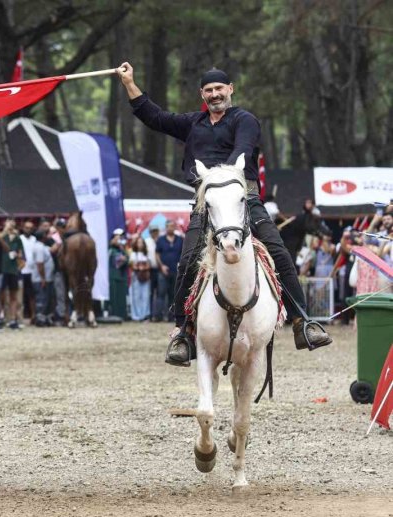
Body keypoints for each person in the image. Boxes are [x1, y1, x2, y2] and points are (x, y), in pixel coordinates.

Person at [117, 62, 331, 365]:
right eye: (209, 90)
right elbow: (154, 116)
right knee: (188, 260)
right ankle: (183, 333)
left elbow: (242, 151)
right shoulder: (193, 123)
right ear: (202, 94)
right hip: (207, 203)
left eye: (219, 88)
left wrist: (221, 180)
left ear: (230, 89)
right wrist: (129, 82)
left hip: (245, 198)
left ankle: (302, 322)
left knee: (278, 251)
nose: (215, 94)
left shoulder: (245, 120)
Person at [155, 221, 183, 323]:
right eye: (169, 227)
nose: (171, 228)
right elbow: (157, 254)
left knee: (173, 294)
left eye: (172, 226)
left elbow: (183, 254)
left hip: (176, 271)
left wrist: (180, 264)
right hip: (163, 271)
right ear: (166, 228)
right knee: (161, 294)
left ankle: (171, 316)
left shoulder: (180, 240)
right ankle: (158, 316)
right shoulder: (161, 240)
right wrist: (161, 266)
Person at [1, 219, 23, 330]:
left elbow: (21, 253)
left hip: (13, 270)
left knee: (13, 296)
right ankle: (1, 317)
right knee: (1, 295)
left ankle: (13, 318)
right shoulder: (2, 237)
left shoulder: (17, 239)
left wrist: (17, 255)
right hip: (2, 269)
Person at [108, 229, 129, 320]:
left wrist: (125, 256)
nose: (119, 240)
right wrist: (124, 258)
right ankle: (115, 315)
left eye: (121, 238)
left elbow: (127, 259)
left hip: (122, 277)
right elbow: (119, 261)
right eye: (117, 238)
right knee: (115, 297)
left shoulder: (123, 250)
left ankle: (123, 315)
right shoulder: (110, 250)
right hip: (114, 276)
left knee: (122, 298)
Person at [129, 236, 151, 322]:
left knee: (145, 296)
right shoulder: (133, 254)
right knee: (136, 296)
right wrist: (140, 266)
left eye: (141, 242)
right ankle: (136, 316)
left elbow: (149, 265)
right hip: (136, 276)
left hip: (145, 277)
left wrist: (142, 267)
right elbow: (132, 265)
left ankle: (145, 315)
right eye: (138, 242)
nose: (140, 244)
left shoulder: (147, 254)